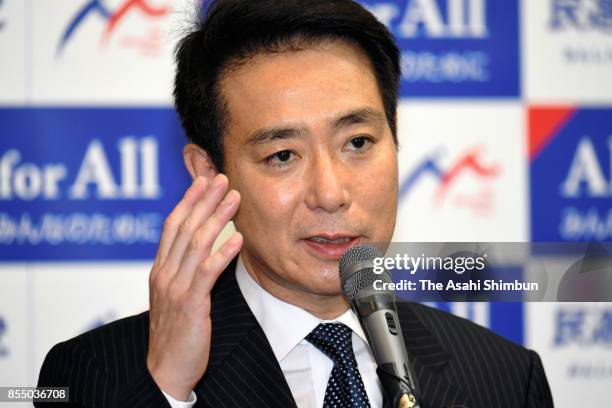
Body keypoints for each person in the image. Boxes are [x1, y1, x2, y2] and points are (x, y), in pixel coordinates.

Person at [36, 1, 554, 407]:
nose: (330, 193)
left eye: (358, 143)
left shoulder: (505, 377)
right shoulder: (92, 375)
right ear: (209, 174)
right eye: (283, 155)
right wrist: (168, 392)